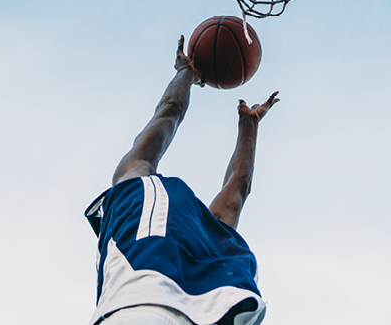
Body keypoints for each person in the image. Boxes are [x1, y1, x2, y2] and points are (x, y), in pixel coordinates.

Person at [84, 36, 279, 325]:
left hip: (142, 307)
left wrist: (186, 73)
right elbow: (238, 191)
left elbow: (168, 111)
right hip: (196, 311)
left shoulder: (133, 191)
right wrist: (248, 126)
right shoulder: (214, 240)